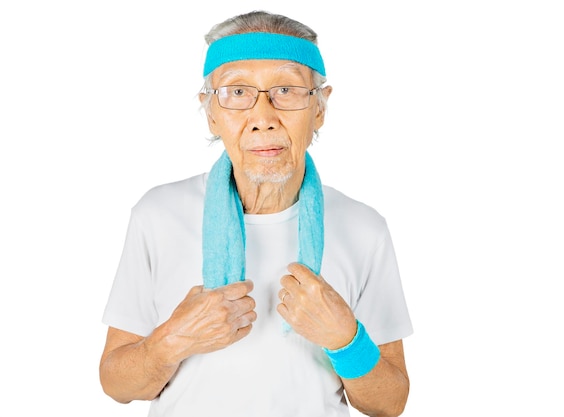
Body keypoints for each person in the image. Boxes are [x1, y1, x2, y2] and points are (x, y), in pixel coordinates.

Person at [99, 10, 413, 417]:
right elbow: (116, 385)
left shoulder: (363, 228)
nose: (263, 119)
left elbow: (390, 403)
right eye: (237, 92)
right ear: (210, 111)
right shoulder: (157, 216)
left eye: (286, 90)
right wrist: (173, 339)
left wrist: (347, 340)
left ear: (319, 108)